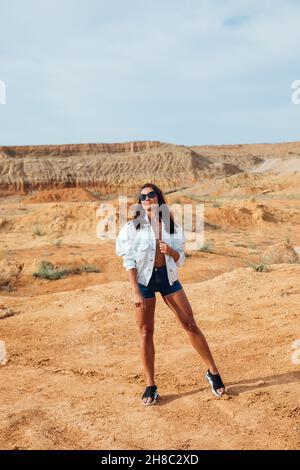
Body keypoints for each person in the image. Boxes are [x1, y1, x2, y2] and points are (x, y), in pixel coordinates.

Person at [116, 183, 225, 405]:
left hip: (168, 278)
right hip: (144, 282)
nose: (147, 198)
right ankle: (150, 384)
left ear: (158, 198)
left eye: (151, 195)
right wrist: (135, 290)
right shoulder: (132, 227)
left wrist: (171, 251)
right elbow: (128, 259)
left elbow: (181, 257)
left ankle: (213, 372)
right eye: (143, 196)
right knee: (146, 332)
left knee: (190, 325)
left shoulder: (171, 225)